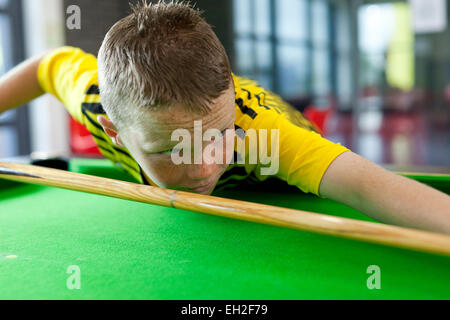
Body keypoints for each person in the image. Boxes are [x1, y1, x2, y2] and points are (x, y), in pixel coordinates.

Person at [0, 1, 449, 234]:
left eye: (218, 136)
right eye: (174, 148)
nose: (204, 166)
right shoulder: (96, 98)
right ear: (115, 132)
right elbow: (47, 66)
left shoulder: (265, 139)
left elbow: (373, 189)